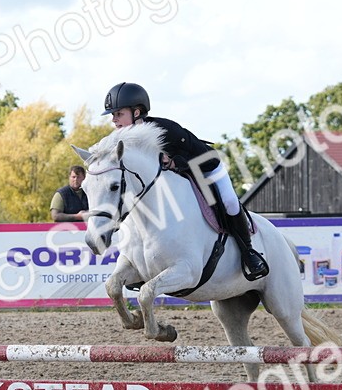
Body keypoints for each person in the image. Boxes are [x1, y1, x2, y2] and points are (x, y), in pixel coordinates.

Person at [101, 81, 268, 280]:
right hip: (177, 177)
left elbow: (200, 157)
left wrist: (175, 161)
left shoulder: (164, 129)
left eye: (118, 114)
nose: (113, 119)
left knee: (230, 203)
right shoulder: (121, 138)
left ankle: (249, 253)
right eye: (113, 115)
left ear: (137, 112)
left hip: (206, 167)